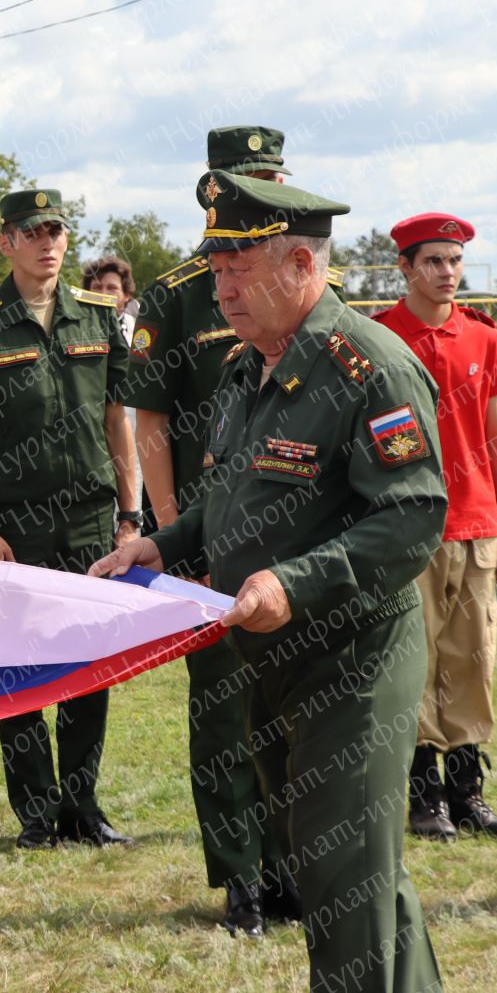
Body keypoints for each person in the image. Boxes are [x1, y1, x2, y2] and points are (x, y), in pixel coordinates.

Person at [91, 170, 455, 993]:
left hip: (354, 652)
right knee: (349, 847)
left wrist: (294, 583)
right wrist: (159, 543)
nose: (218, 285)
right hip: (273, 654)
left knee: (339, 860)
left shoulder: (368, 365)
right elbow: (227, 497)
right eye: (214, 262)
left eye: (237, 264)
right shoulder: (251, 366)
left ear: (301, 262)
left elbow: (412, 515)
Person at [123, 124, 304, 937]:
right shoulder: (177, 296)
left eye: (273, 178)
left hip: (297, 536)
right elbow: (150, 420)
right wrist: (172, 537)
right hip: (214, 539)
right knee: (227, 712)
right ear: (215, 192)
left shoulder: (299, 282)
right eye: (250, 180)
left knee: (298, 709)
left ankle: (294, 865)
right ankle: (242, 878)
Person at [0, 187, 139, 850]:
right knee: (20, 666)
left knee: (87, 662)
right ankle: (36, 812)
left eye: (57, 230)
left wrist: (131, 514)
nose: (49, 242)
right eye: (34, 232)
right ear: (7, 242)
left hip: (89, 517)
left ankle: (82, 805)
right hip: (18, 523)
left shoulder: (99, 316)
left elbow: (119, 423)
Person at [374, 212, 497, 844]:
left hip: (476, 525)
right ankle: (422, 792)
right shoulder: (379, 337)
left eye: (454, 260)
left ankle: (467, 792)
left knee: (473, 658)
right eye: (432, 261)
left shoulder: (483, 339)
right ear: (404, 269)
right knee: (416, 659)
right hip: (409, 529)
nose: (446, 273)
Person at [81, 255, 137, 343]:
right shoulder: (73, 327)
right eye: (97, 287)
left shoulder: (137, 327)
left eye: (112, 288)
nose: (104, 294)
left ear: (127, 295)